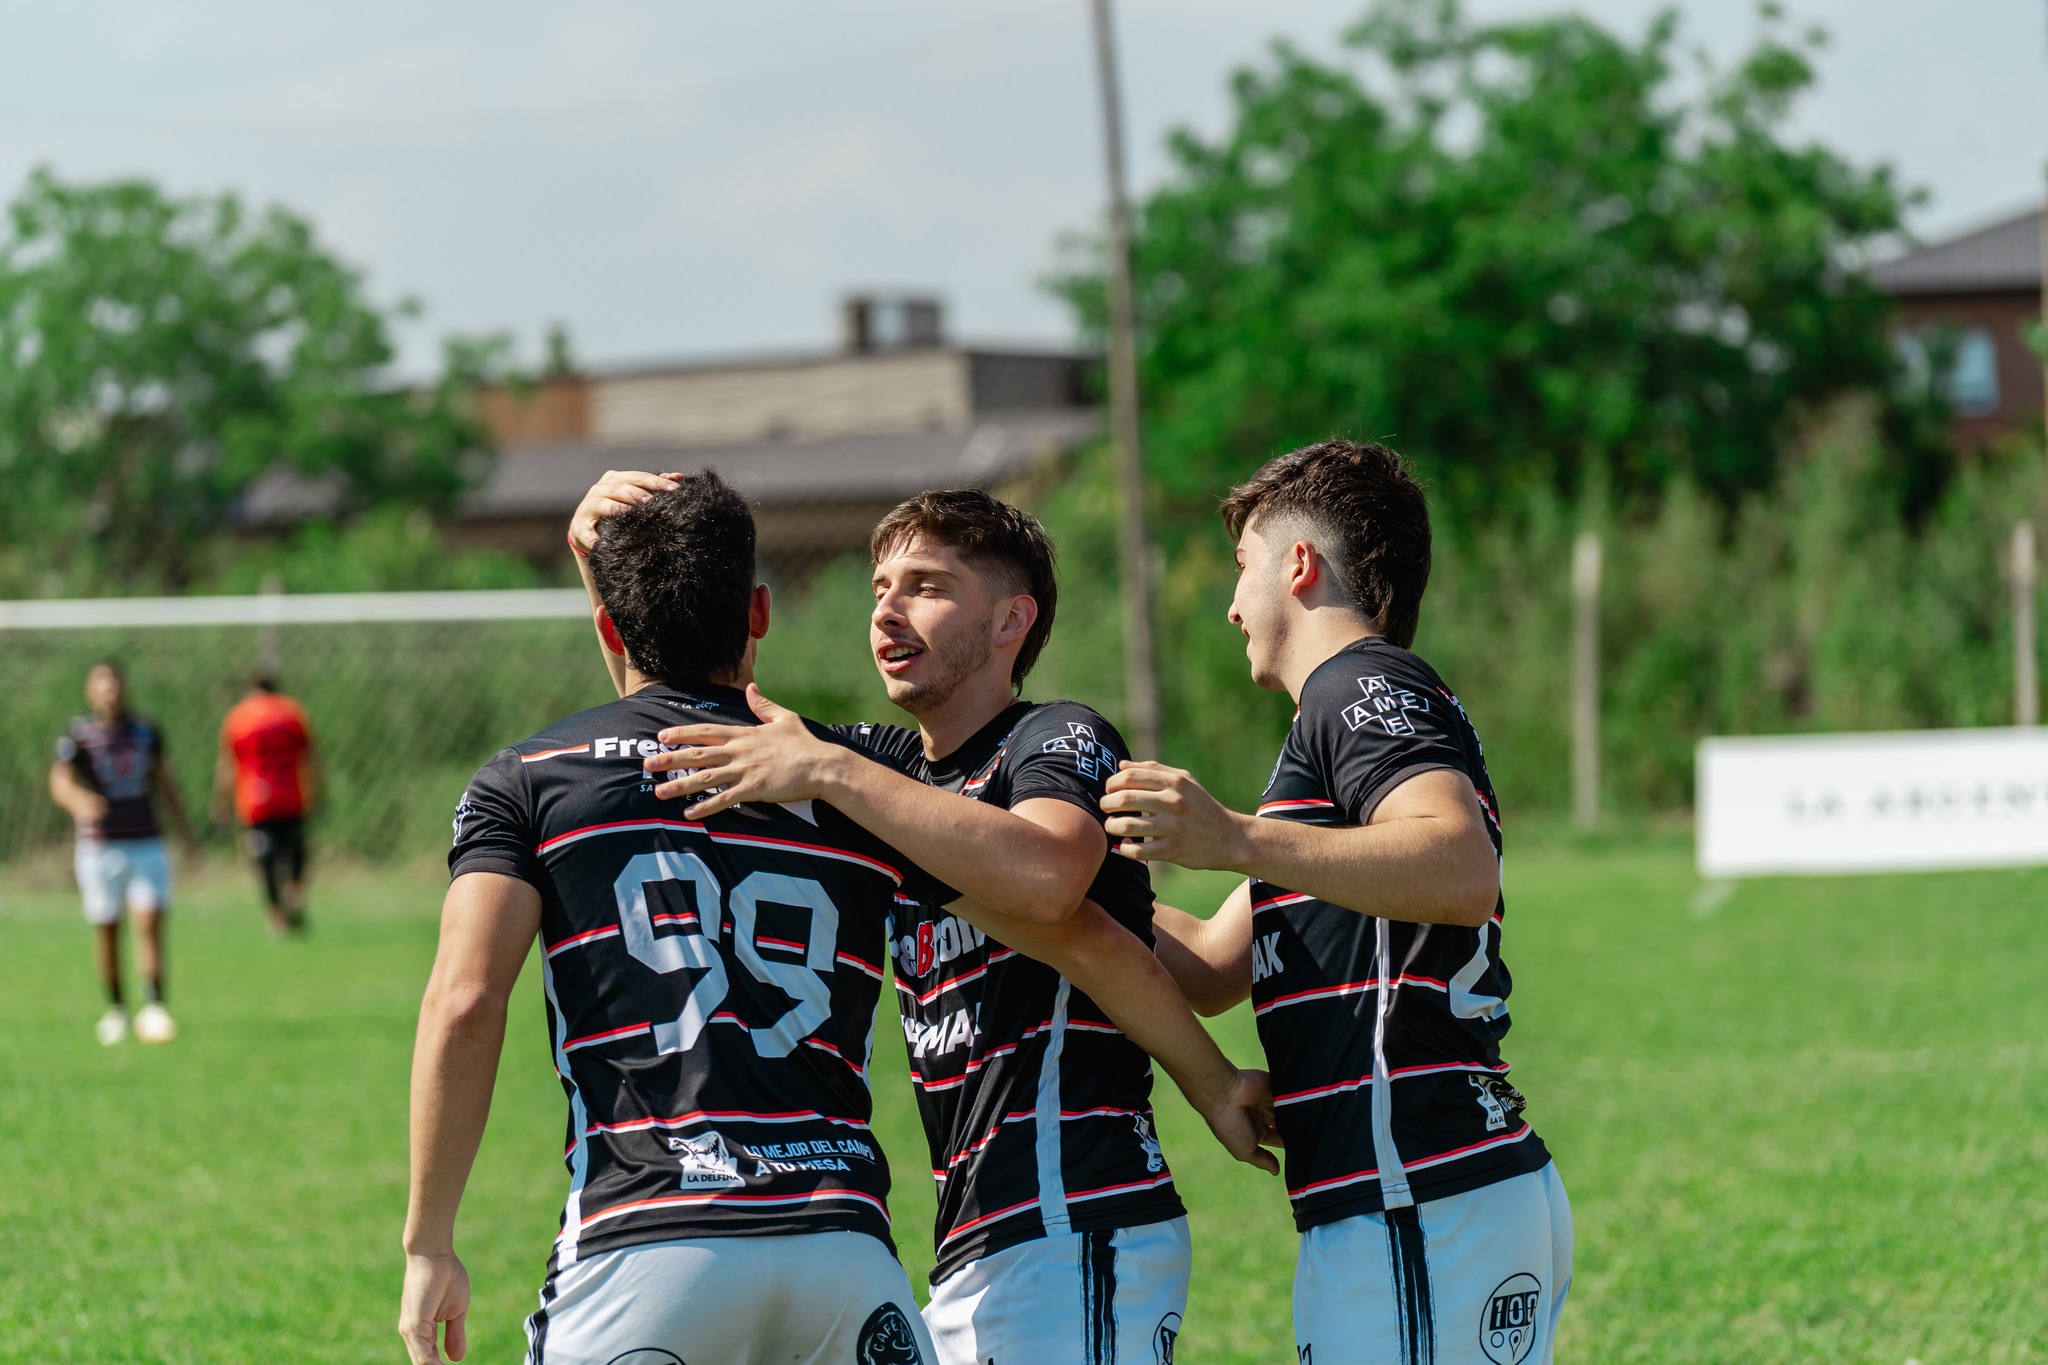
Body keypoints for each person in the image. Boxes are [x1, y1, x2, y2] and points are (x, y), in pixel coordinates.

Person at [400, 473, 1272, 1365]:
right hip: (893, 1243)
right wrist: (616, 568)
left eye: (926, 586)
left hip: (1065, 1212)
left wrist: (1267, 870)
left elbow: (1063, 902)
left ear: (1014, 620)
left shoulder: (987, 752)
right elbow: (666, 715)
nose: (890, 610)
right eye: (879, 588)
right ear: (763, 614)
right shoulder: (867, 783)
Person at [1096, 441, 1572, 1365]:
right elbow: (1210, 967)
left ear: (1300, 565)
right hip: (1422, 1198)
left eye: (1243, 567)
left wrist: (1232, 835)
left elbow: (1459, 866)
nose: (1233, 604)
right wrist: (1059, 868)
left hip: (1421, 1195)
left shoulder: (1357, 684)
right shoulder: (1329, 733)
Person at [48, 660, 197, 1046]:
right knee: (108, 928)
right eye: (101, 684)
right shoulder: (78, 735)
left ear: (124, 688)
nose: (109, 691)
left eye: (114, 683)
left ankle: (154, 1005)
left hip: (146, 839)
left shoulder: (146, 731)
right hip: (100, 846)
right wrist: (79, 800)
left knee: (148, 921)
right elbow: (59, 782)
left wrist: (186, 832)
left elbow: (166, 783)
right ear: (90, 691)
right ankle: (115, 1009)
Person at [213, 670, 319, 935]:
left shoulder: (239, 717)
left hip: (255, 800)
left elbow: (228, 764)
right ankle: (294, 888)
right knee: (294, 848)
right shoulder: (292, 712)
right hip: (291, 795)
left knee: (264, 859)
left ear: (250, 688)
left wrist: (220, 800)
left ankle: (276, 913)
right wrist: (316, 790)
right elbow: (310, 757)